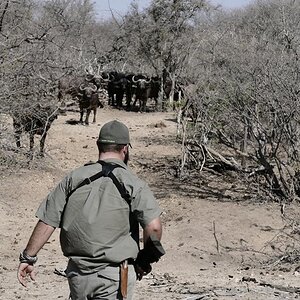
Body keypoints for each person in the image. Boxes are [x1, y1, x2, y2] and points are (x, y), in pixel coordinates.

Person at [17, 120, 164, 300]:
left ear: (98, 145)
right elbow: (154, 227)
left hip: (77, 275)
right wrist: (144, 261)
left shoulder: (73, 178)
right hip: (115, 276)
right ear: (125, 149)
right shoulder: (133, 183)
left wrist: (28, 258)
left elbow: (48, 221)